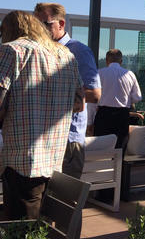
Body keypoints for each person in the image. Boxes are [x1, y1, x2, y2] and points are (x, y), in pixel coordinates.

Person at [0, 11, 83, 220]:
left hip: (21, 161)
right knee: (44, 224)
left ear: (8, 30)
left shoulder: (11, 50)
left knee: (21, 228)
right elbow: (79, 104)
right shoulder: (66, 55)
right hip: (54, 159)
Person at [34, 2, 101, 178]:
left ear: (61, 24)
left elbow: (94, 94)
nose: (39, 29)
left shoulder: (78, 51)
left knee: (63, 201)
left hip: (67, 141)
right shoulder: (41, 52)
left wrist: (50, 96)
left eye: (45, 24)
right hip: (43, 138)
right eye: (36, 25)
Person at [94, 49, 142, 150]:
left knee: (101, 147)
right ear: (121, 61)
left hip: (104, 114)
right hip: (122, 115)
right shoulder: (130, 74)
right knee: (120, 148)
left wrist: (90, 121)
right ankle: (119, 166)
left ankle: (102, 166)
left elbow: (93, 97)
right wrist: (126, 100)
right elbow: (137, 97)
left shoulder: (99, 73)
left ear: (107, 60)